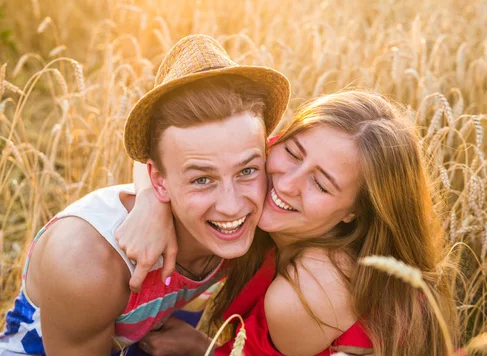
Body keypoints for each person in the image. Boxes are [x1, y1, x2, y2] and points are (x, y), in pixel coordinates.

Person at [0, 34, 290, 356]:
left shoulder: (270, 211)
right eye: (202, 179)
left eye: (247, 171)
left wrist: (202, 348)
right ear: (159, 180)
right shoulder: (90, 267)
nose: (232, 205)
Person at [117, 91, 458, 356]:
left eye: (321, 184)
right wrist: (150, 203)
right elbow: (162, 140)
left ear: (353, 212)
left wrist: (199, 348)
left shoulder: (307, 291)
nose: (287, 182)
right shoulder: (263, 162)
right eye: (293, 153)